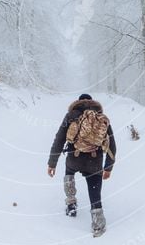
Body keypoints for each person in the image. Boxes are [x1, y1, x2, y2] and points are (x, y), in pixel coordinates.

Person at [47, 93, 116, 237]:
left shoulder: (71, 115)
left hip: (74, 158)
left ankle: (71, 203)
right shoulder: (101, 117)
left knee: (69, 173)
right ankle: (98, 225)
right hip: (94, 161)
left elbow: (59, 139)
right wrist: (108, 167)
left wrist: (52, 163)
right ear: (92, 101)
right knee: (94, 191)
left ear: (78, 102)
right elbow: (112, 144)